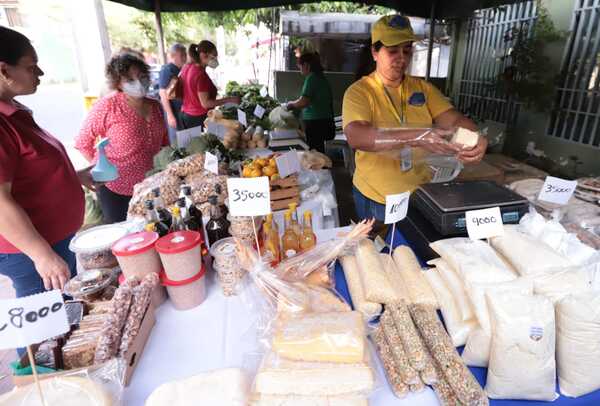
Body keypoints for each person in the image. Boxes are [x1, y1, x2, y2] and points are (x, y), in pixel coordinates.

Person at [342, 15, 487, 223]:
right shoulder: (360, 92)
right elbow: (357, 136)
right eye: (393, 51)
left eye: (407, 50)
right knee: (377, 250)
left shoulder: (423, 89)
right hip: (376, 196)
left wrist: (476, 137)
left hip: (417, 193)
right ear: (375, 52)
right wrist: (418, 136)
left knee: (410, 247)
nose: (401, 58)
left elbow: (454, 121)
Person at [0, 27, 93, 298]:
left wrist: (75, 177)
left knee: (68, 316)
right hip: (31, 252)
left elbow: (30, 171)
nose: (39, 74)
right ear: (4, 70)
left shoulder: (13, 111)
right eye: (31, 67)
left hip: (53, 241)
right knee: (46, 330)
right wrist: (42, 255)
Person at [75, 53, 169, 224]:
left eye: (141, 77)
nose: (139, 83)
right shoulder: (108, 106)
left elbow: (163, 143)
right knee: (123, 239)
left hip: (149, 185)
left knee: (152, 231)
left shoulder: (155, 106)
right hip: (115, 188)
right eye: (130, 80)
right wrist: (101, 168)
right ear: (118, 83)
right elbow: (82, 142)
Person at [179, 40, 240, 129]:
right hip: (198, 119)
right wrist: (229, 100)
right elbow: (206, 103)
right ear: (204, 55)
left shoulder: (187, 67)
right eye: (214, 56)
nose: (216, 59)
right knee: (202, 142)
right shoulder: (200, 75)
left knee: (190, 143)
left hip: (185, 115)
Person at [286, 53, 335, 153]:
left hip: (316, 123)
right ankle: (321, 167)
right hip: (324, 121)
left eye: (300, 66)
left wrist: (291, 105)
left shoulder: (312, 78)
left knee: (315, 152)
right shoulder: (320, 77)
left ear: (307, 65)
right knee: (318, 151)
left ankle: (320, 168)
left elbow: (303, 102)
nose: (300, 70)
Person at [158, 43, 187, 145]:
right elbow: (162, 93)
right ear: (173, 55)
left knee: (184, 140)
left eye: (185, 54)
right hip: (173, 112)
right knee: (177, 143)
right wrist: (170, 115)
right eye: (182, 55)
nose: (185, 57)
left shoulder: (181, 69)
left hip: (182, 111)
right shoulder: (167, 70)